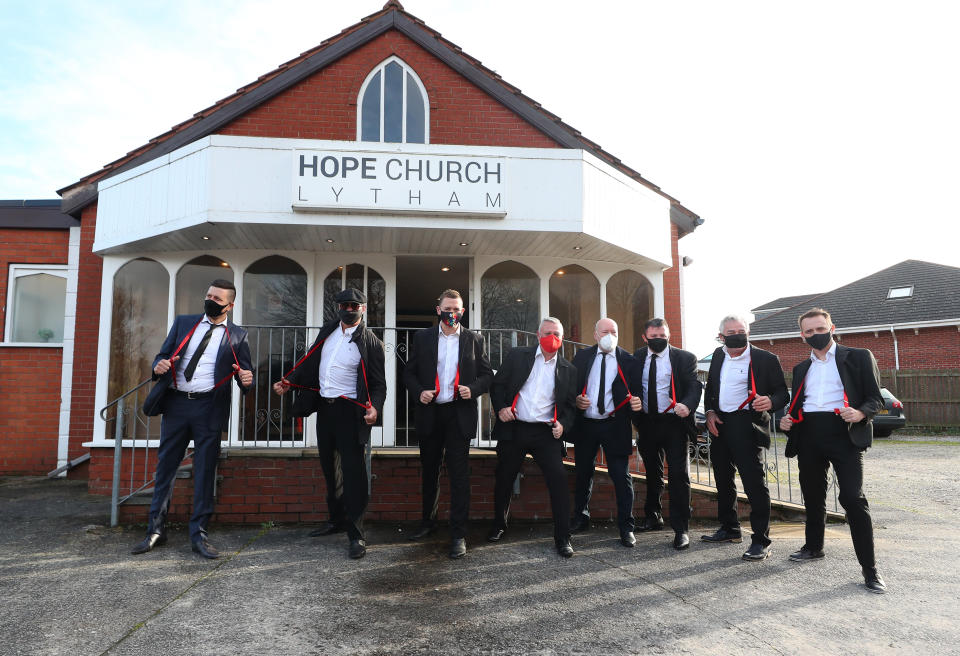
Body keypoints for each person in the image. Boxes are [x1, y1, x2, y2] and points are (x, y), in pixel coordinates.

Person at [132, 279, 254, 559]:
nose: (210, 300)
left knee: (204, 471)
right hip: (176, 405)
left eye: (217, 298)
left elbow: (244, 376)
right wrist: (158, 364)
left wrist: (247, 379)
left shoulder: (238, 335)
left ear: (230, 305)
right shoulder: (184, 322)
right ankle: (155, 530)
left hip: (209, 408)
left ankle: (199, 535)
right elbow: (162, 356)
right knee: (165, 469)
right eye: (208, 294)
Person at [273, 289, 386, 560]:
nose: (349, 309)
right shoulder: (328, 331)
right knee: (329, 467)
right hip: (326, 408)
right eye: (345, 305)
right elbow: (311, 362)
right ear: (337, 308)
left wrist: (375, 408)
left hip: (351, 413)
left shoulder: (371, 342)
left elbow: (379, 385)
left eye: (355, 305)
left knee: (353, 473)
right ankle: (335, 520)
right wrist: (289, 380)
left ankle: (356, 533)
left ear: (363, 309)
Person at [779, 308, 887, 593]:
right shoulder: (802, 368)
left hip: (844, 434)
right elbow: (799, 402)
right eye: (809, 331)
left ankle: (870, 569)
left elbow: (876, 398)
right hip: (809, 435)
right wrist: (787, 418)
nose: (816, 334)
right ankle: (814, 548)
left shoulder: (859, 356)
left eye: (820, 328)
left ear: (832, 327)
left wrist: (861, 413)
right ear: (802, 335)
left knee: (852, 498)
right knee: (813, 495)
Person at [401, 289, 493, 559]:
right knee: (429, 472)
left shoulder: (474, 339)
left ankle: (458, 534)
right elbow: (408, 373)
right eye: (448, 308)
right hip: (430, 413)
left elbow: (487, 375)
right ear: (438, 310)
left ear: (463, 312)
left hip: (458, 415)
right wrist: (419, 391)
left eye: (457, 309)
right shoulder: (423, 337)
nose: (452, 313)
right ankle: (427, 523)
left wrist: (473, 389)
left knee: (459, 476)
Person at [486, 317, 578, 557]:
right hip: (515, 427)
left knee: (558, 480)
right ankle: (498, 525)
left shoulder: (569, 369)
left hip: (545, 433)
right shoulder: (518, 356)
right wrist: (501, 408)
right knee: (504, 478)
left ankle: (563, 538)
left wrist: (563, 425)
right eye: (548, 333)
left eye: (557, 333)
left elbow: (570, 407)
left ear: (562, 336)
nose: (552, 337)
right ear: (538, 335)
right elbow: (497, 386)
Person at [702, 315, 788, 560]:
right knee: (722, 478)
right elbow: (711, 389)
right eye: (732, 331)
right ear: (722, 336)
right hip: (720, 423)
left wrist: (770, 401)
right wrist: (709, 412)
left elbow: (782, 393)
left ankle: (761, 540)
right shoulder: (718, 355)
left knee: (753, 483)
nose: (737, 334)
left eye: (742, 330)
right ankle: (730, 528)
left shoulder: (765, 359)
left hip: (748, 423)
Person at [570, 318, 643, 547]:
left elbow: (637, 393)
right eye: (605, 331)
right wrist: (576, 400)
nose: (609, 335)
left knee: (621, 477)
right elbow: (570, 388)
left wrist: (637, 403)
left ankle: (626, 527)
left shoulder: (628, 361)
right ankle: (580, 518)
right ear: (595, 335)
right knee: (582, 473)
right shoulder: (582, 357)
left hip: (615, 425)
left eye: (614, 331)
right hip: (586, 425)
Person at [632, 318, 701, 550]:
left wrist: (688, 405)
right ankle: (653, 516)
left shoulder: (685, 358)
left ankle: (681, 529)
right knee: (652, 473)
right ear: (645, 338)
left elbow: (694, 385)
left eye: (663, 336)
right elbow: (632, 386)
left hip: (675, 423)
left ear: (668, 335)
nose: (659, 340)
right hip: (648, 422)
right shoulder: (637, 358)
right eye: (654, 337)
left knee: (679, 475)